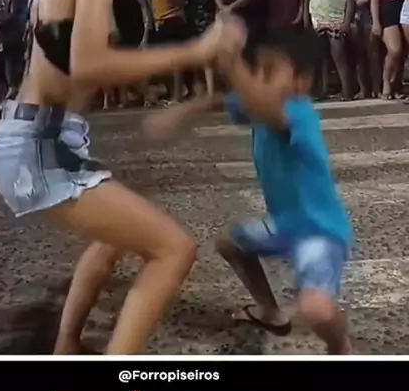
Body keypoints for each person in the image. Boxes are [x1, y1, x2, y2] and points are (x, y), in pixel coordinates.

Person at [0, 0, 245, 355]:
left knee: (113, 238)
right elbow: (89, 65)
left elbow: (68, 62)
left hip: (35, 135)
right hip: (39, 143)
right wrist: (196, 51)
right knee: (173, 250)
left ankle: (67, 345)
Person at [144, 28, 353, 355]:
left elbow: (261, 105)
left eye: (268, 72)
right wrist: (181, 111)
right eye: (257, 71)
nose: (256, 80)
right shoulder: (260, 104)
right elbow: (223, 100)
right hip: (285, 224)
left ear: (301, 83)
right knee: (231, 244)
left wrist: (231, 60)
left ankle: (340, 346)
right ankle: (269, 311)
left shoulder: (298, 113)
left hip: (318, 231)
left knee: (317, 310)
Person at [303, 0, 354, 100]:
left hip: (336, 20)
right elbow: (306, 0)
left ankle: (348, 92)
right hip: (317, 21)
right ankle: (322, 91)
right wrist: (306, 23)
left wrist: (346, 22)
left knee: (338, 56)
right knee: (321, 58)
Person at [351, 0, 380, 98]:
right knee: (358, 54)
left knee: (373, 53)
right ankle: (363, 89)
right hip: (355, 17)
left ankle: (377, 88)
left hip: (371, 16)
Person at [187, 0, 217, 94]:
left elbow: (217, 2)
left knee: (208, 60)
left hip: (207, 22)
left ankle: (211, 93)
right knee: (195, 60)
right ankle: (201, 91)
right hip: (192, 23)